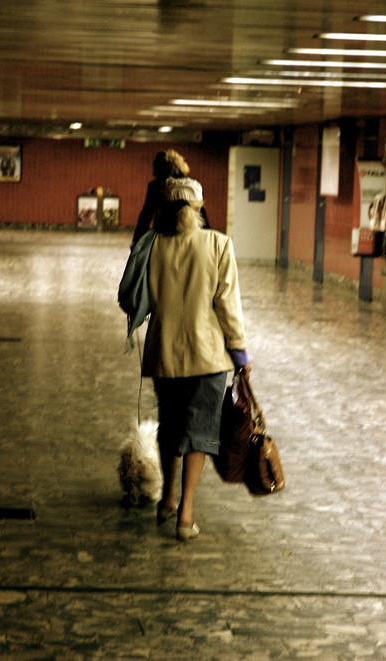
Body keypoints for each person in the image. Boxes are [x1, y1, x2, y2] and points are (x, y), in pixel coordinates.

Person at [141, 176, 249, 541]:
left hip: (164, 352)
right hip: (209, 357)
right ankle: (186, 514)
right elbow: (227, 304)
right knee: (200, 432)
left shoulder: (152, 246)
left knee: (169, 426)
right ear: (199, 208)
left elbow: (133, 300)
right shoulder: (219, 244)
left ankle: (167, 499)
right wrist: (240, 352)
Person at [131, 149, 210, 245]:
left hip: (164, 232)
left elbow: (146, 214)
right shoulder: (192, 185)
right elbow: (202, 214)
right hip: (191, 232)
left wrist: (137, 240)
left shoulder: (156, 185)